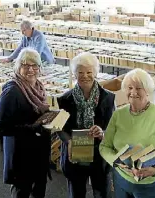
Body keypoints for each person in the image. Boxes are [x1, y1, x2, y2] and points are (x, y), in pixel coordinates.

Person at [99, 68, 155, 198]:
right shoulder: (118, 115)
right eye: (129, 88)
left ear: (147, 90)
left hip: (151, 185)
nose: (133, 92)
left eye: (139, 88)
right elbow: (104, 147)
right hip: (121, 181)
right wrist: (116, 162)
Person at [0, 48, 52, 198]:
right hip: (21, 156)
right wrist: (32, 128)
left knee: (39, 191)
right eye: (26, 65)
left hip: (37, 153)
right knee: (22, 192)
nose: (31, 70)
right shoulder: (12, 91)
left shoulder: (38, 87)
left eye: (35, 65)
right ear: (18, 67)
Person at [57, 52, 116, 198]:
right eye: (80, 72)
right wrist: (68, 140)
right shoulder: (65, 99)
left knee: (102, 193)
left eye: (89, 72)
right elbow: (60, 128)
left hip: (100, 155)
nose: (85, 76)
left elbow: (114, 127)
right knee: (77, 193)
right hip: (75, 155)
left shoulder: (108, 97)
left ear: (95, 73)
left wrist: (102, 132)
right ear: (74, 74)